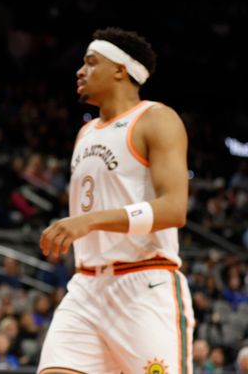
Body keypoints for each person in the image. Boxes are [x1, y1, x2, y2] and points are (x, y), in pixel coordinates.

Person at [38, 28, 193, 373]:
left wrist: (90, 220)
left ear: (121, 70)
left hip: (144, 284)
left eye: (91, 63)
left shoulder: (156, 118)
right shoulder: (85, 132)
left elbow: (174, 209)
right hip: (86, 286)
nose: (80, 71)